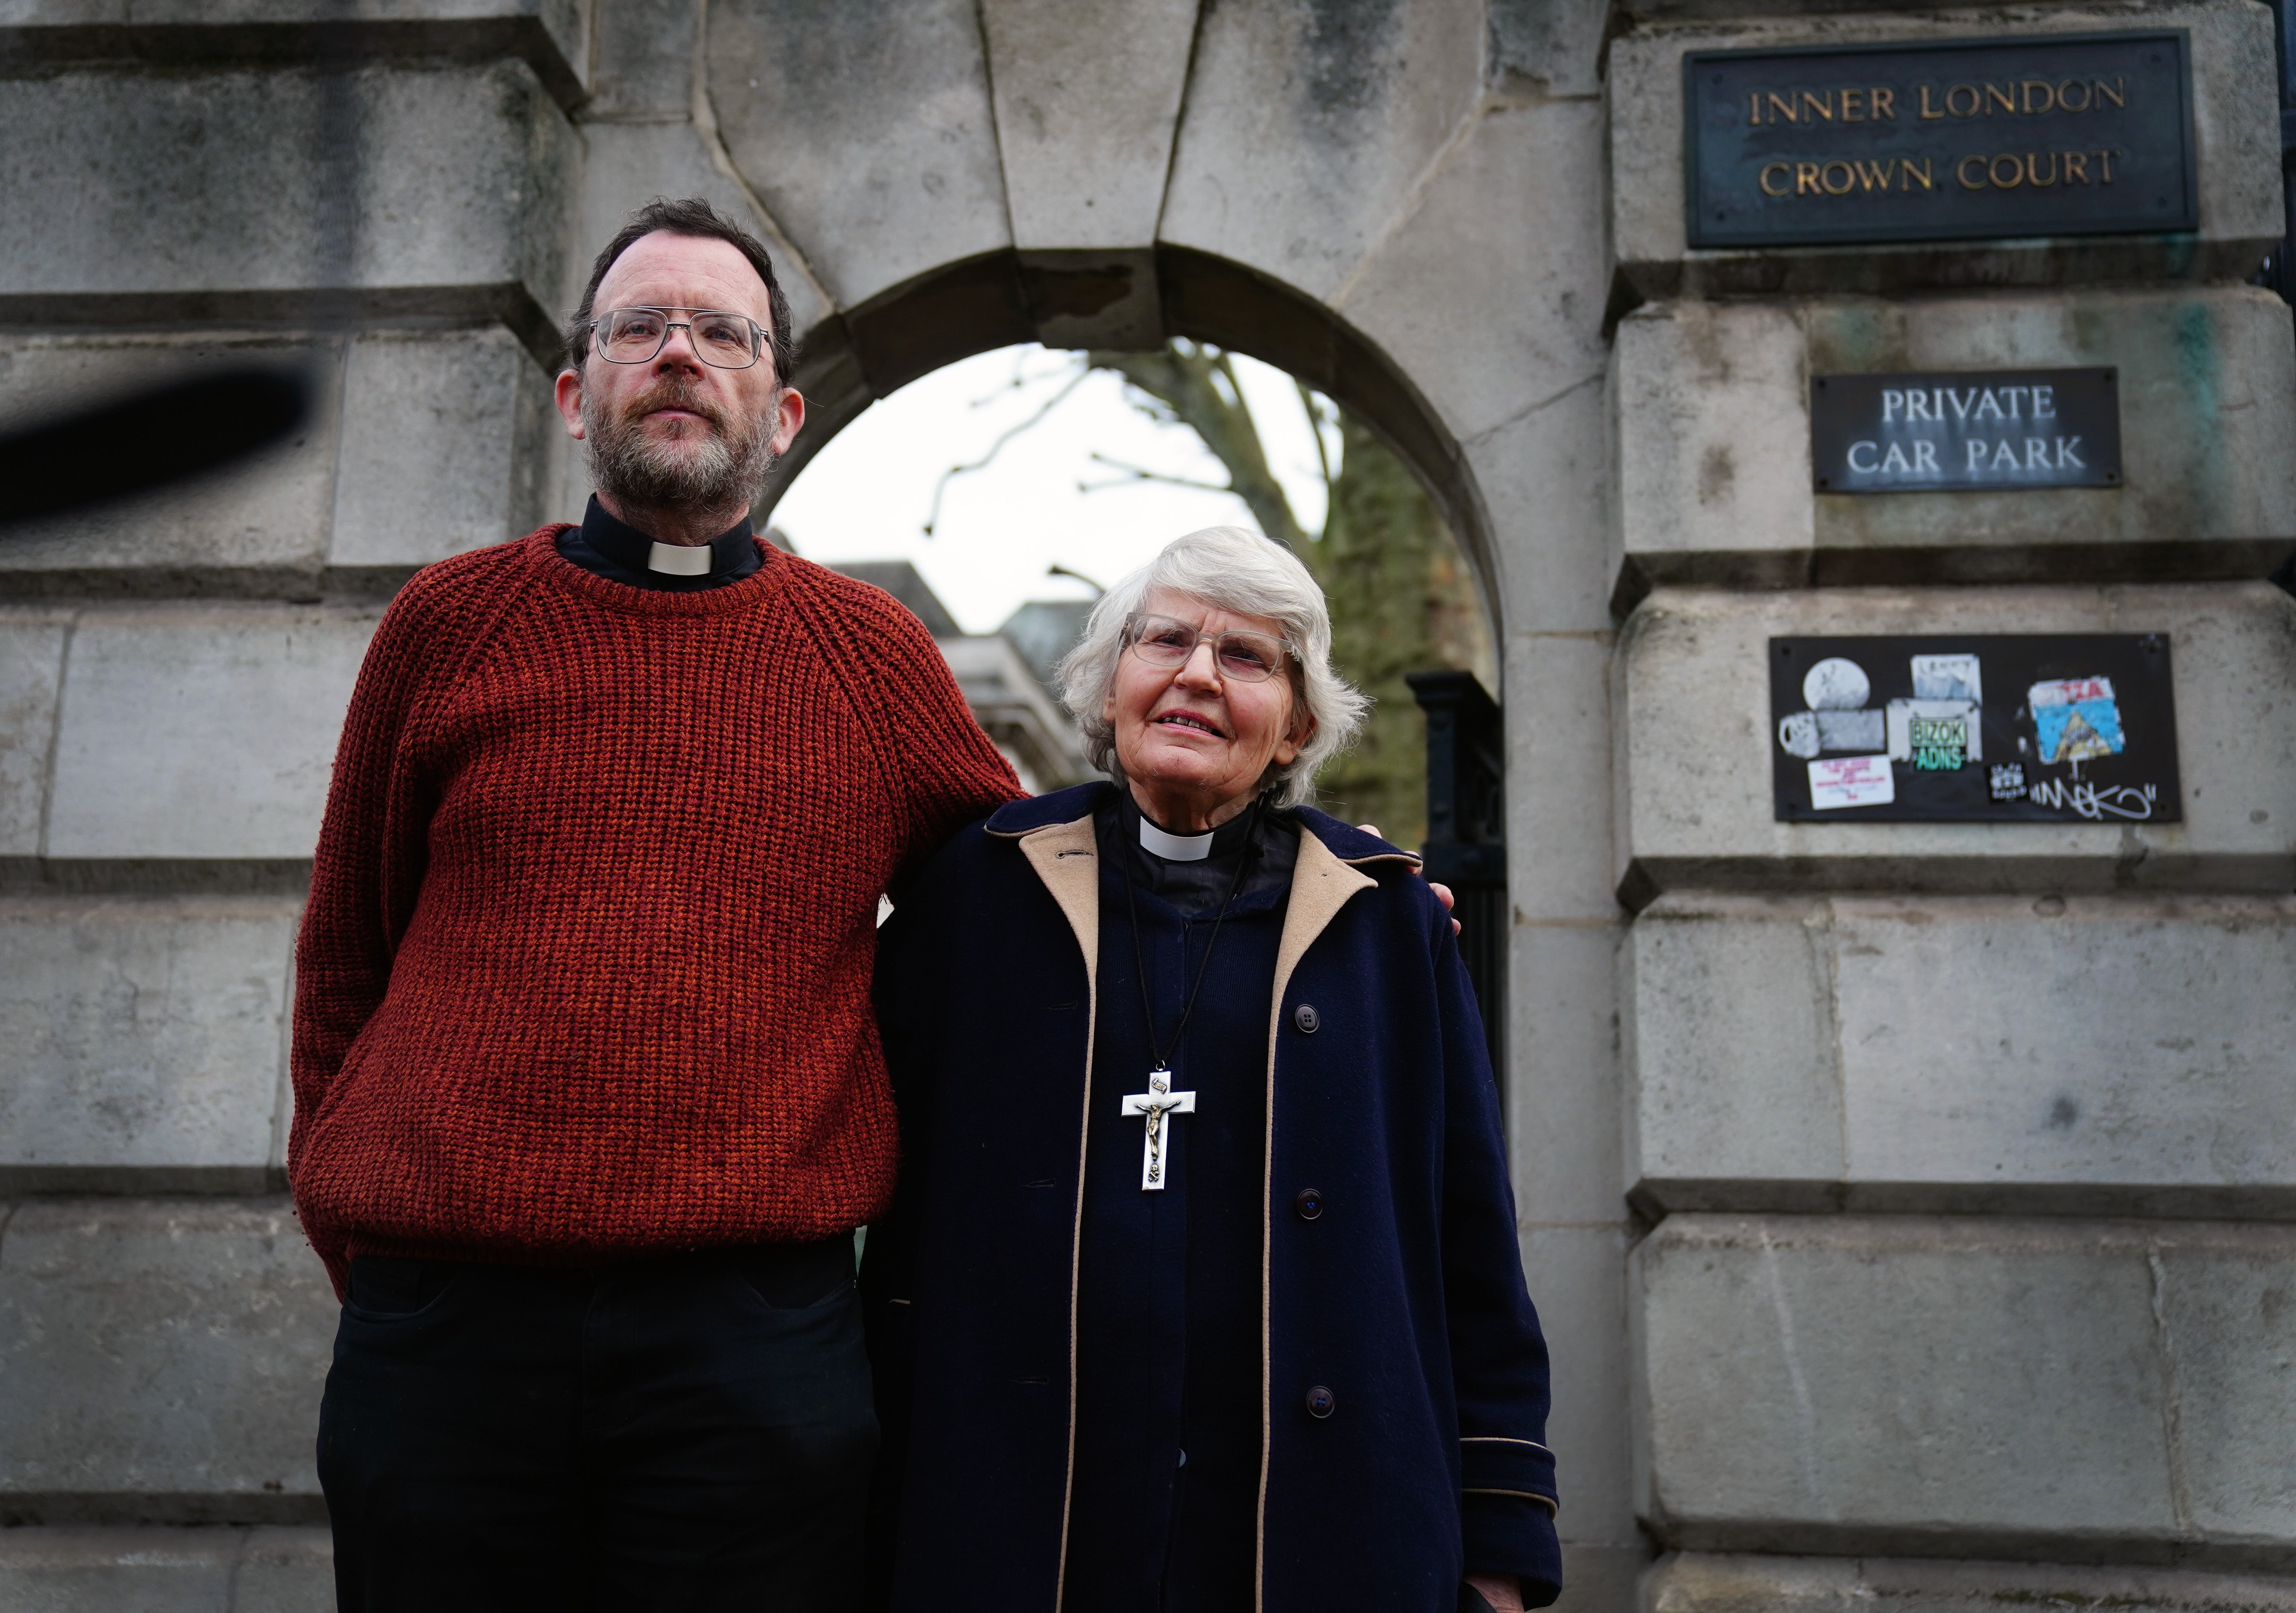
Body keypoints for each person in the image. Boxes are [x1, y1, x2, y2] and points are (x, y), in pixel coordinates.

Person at [287, 196, 1025, 1611]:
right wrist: (360, 1229)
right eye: (640, 327)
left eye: (723, 333)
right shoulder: (447, 626)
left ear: (783, 412)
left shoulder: (870, 659)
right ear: (578, 397)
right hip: (445, 1333)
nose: (680, 353)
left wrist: (1309, 880)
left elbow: (1038, 897)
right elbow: (344, 963)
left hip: (753, 1342)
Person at [863, 525, 1563, 1613]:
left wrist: (1504, 1549)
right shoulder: (981, 892)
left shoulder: (1385, 924)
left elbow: (1471, 1247)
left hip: (1318, 1527)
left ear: (1297, 727)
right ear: (1109, 689)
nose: (1197, 674)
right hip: (1019, 1516)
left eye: (1247, 657)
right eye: (1166, 641)